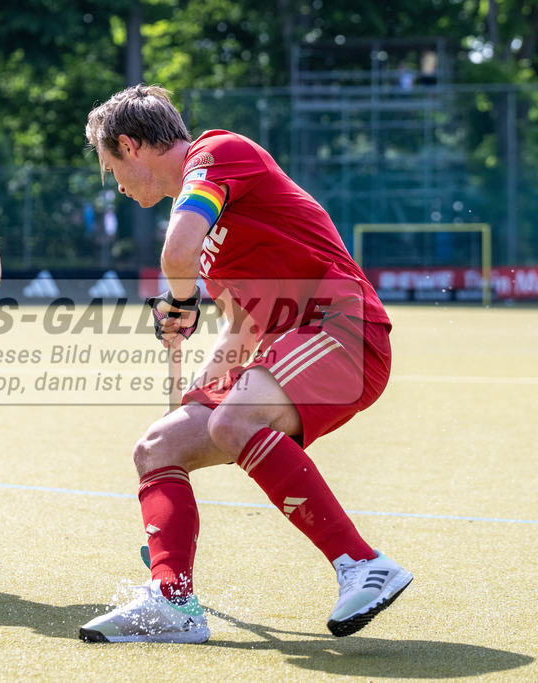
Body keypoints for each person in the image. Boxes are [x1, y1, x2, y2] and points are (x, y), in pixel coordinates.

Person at [78, 85, 412, 643]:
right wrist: (196, 402)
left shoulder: (217, 154)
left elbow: (175, 252)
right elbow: (242, 328)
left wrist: (180, 301)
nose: (116, 184)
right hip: (294, 344)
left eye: (112, 169)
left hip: (345, 332)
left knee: (235, 422)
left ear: (132, 146)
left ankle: (362, 564)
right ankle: (172, 604)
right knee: (159, 447)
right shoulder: (217, 242)